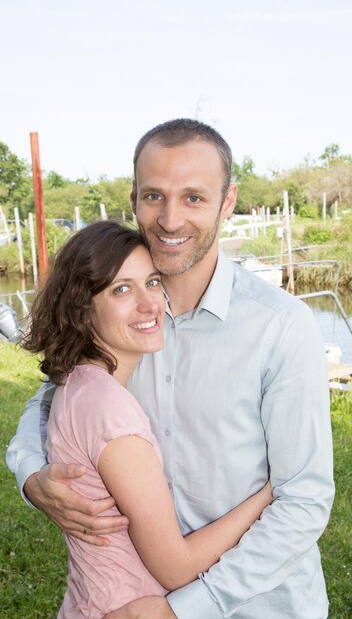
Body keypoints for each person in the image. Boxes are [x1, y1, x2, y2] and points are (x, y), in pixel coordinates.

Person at [7, 119, 334, 619]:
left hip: (258, 605)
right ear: (134, 198)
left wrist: (186, 607)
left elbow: (304, 500)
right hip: (131, 595)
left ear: (228, 203)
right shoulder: (118, 319)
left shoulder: (281, 328)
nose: (170, 219)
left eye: (195, 198)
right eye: (154, 196)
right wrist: (31, 475)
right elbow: (53, 397)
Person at [19, 220, 272, 618]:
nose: (150, 303)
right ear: (82, 309)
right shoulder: (108, 407)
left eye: (152, 282)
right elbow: (176, 567)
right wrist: (267, 495)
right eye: (122, 289)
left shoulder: (81, 385)